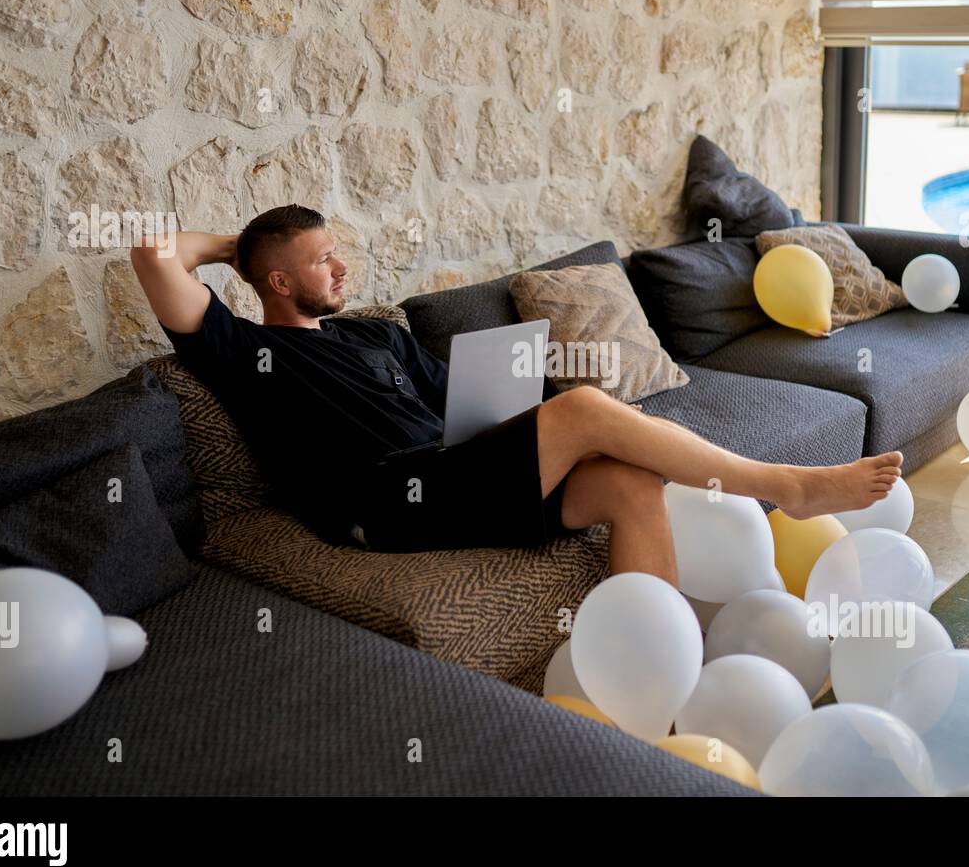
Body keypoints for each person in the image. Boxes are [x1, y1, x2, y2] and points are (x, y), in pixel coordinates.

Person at [131, 204, 902, 586]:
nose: (340, 269)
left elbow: (461, 407)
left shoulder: (375, 334)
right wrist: (243, 245)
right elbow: (154, 253)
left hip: (456, 469)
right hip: (380, 500)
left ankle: (658, 684)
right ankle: (786, 488)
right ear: (275, 280)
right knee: (587, 409)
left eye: (336, 253)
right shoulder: (245, 349)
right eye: (321, 260)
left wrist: (506, 416)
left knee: (632, 485)